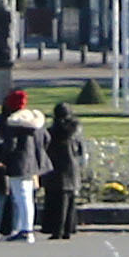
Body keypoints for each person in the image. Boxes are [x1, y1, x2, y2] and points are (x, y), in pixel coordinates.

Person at [0, 89, 49, 240]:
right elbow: (46, 139)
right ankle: (27, 227)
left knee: (20, 196)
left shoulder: (13, 123)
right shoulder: (36, 121)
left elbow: (10, 145)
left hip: (17, 163)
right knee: (28, 197)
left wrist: (3, 157)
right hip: (33, 162)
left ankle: (25, 230)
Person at [42, 102, 86, 240]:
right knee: (70, 200)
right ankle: (69, 228)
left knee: (56, 201)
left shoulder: (51, 132)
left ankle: (57, 230)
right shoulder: (75, 131)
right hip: (71, 168)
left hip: (55, 168)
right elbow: (80, 150)